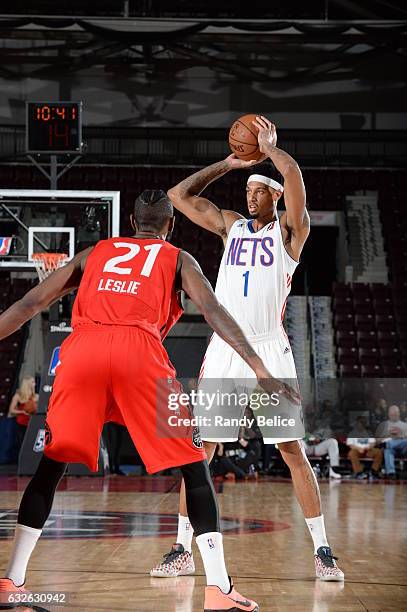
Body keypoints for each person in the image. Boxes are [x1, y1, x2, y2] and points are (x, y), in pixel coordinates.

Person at [0, 189, 294, 612]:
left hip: (81, 350)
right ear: (170, 226)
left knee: (51, 465)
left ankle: (12, 580)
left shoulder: (92, 253)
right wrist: (259, 366)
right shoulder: (178, 258)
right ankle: (218, 589)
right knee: (194, 466)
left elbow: (31, 302)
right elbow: (213, 310)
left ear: (133, 224)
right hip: (139, 353)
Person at [151, 116, 344, 582]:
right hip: (225, 348)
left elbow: (295, 178)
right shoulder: (231, 227)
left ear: (275, 198)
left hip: (270, 349)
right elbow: (178, 197)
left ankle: (322, 550)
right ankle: (181, 547)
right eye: (248, 191)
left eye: (258, 191)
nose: (249, 196)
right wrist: (230, 162)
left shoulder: (290, 236)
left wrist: (271, 150)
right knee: (200, 450)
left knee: (292, 450)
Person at [8, 376, 38, 453]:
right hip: (22, 423)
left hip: (32, 423)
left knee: (32, 444)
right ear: (27, 384)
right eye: (33, 382)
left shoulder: (36, 396)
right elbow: (11, 410)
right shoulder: (18, 396)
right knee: (22, 444)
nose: (35, 384)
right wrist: (22, 412)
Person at [375, 405, 407, 479]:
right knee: (388, 450)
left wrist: (400, 437)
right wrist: (387, 437)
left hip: (404, 448)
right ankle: (391, 473)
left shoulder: (405, 425)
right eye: (392, 414)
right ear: (388, 414)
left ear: (399, 413)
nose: (394, 416)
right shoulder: (383, 425)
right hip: (391, 449)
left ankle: (390, 444)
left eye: (395, 414)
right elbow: (376, 441)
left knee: (392, 444)